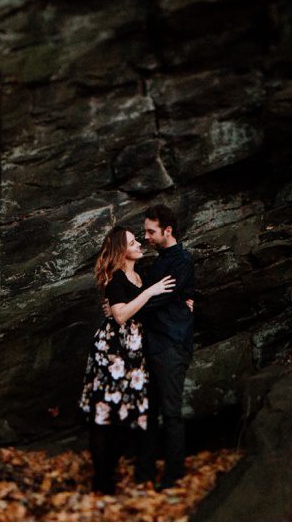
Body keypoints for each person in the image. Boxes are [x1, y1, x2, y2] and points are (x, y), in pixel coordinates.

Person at [78, 226, 175, 495]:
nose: (140, 244)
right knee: (103, 415)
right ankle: (102, 478)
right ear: (123, 251)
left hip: (134, 353)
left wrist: (184, 301)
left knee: (128, 415)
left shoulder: (140, 277)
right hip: (112, 352)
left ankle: (106, 473)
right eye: (133, 242)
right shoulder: (116, 278)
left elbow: (142, 309)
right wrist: (150, 292)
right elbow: (120, 316)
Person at [133, 204, 195, 490]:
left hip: (171, 344)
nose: (145, 236)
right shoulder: (158, 262)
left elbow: (161, 298)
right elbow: (155, 297)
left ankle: (173, 477)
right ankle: (144, 474)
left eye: (150, 231)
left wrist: (134, 306)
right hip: (152, 344)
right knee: (148, 412)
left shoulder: (181, 260)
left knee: (170, 413)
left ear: (167, 231)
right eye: (144, 231)